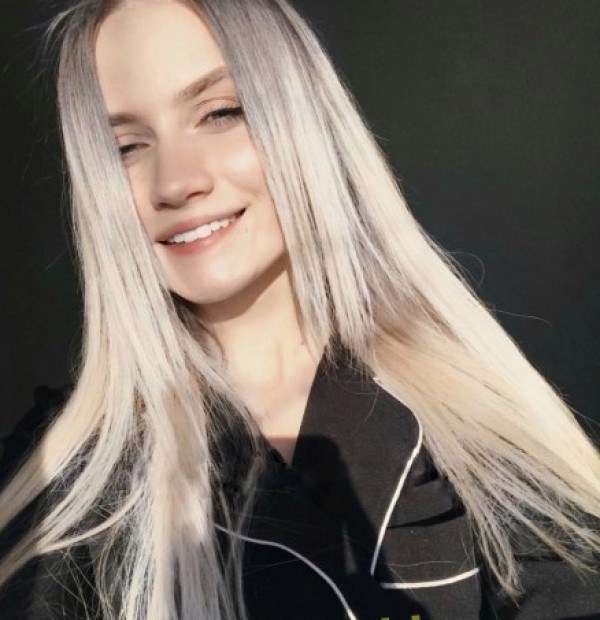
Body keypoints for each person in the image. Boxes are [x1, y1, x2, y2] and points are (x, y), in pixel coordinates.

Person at [0, 0, 599, 618]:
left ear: (302, 121)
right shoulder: (63, 476)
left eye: (220, 112)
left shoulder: (473, 421)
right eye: (124, 146)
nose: (175, 182)